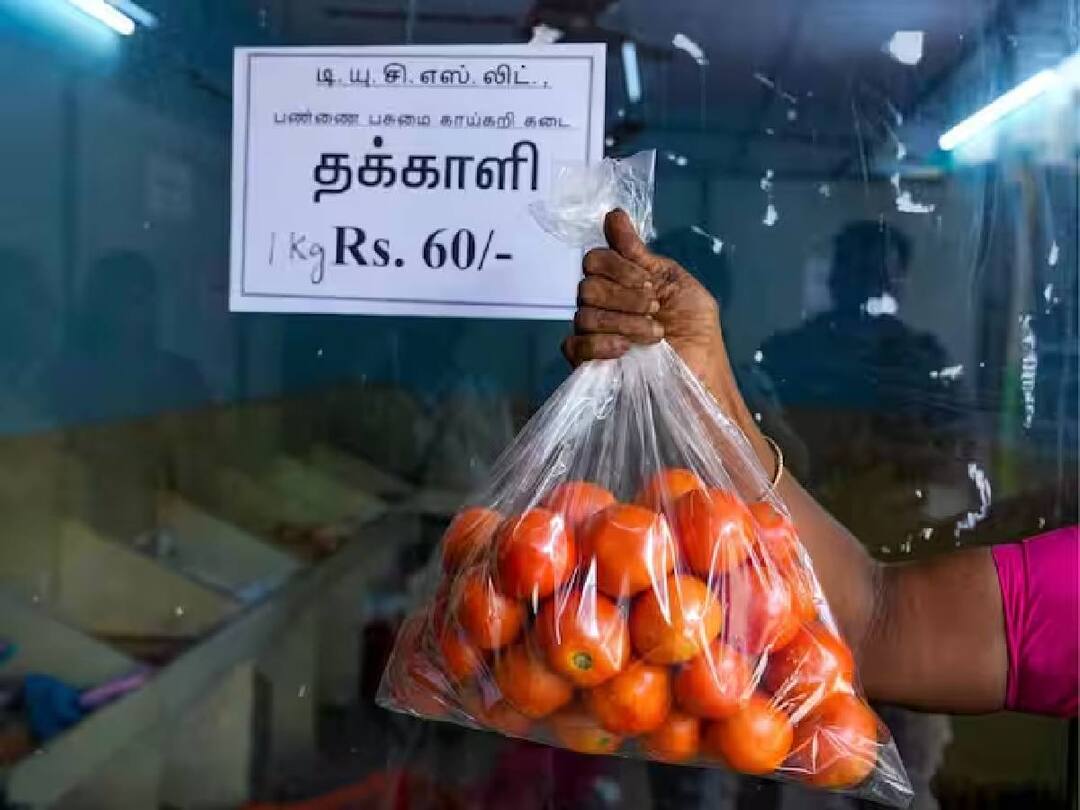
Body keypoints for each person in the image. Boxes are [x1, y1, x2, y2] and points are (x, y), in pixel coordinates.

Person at [562, 209, 1078, 718]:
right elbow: (874, 620)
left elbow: (960, 462)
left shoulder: (924, 361)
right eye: (854, 267)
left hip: (887, 542)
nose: (866, 284)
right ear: (833, 274)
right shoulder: (795, 353)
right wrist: (699, 385)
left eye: (879, 271)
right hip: (777, 587)